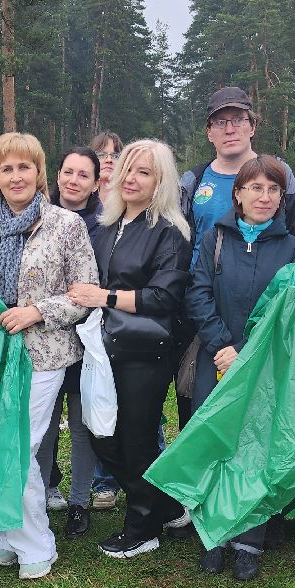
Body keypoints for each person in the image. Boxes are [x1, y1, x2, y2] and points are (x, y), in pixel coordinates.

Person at [0, 132, 98, 578]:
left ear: (39, 172)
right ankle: (10, 533)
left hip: (44, 353)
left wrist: (35, 312)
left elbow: (84, 296)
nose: (15, 176)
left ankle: (37, 545)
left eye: (24, 166)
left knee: (20, 447)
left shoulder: (66, 225)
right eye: (6, 168)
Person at [70, 139, 193, 559]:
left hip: (146, 351)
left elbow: (163, 297)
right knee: (102, 436)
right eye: (127, 169)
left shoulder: (170, 232)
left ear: (161, 181)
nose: (132, 178)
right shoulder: (106, 225)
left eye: (144, 172)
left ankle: (142, 526)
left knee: (136, 438)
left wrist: (104, 297)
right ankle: (167, 505)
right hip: (103, 348)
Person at [184, 155, 295, 580]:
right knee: (215, 444)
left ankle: (249, 541)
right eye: (255, 188)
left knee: (256, 448)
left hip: (264, 364)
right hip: (215, 359)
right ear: (238, 194)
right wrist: (222, 344)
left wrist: (248, 351)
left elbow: (288, 312)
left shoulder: (291, 248)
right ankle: (212, 535)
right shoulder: (216, 237)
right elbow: (197, 292)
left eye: (273, 190)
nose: (264, 197)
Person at [37, 146, 105, 535]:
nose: (74, 180)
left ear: (96, 183)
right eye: (68, 172)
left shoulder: (103, 224)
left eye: (83, 174)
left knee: (81, 423)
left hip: (85, 338)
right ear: (57, 175)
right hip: (44, 335)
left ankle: (80, 501)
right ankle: (43, 491)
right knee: (44, 421)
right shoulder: (39, 217)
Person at [178, 86, 295, 264]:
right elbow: (179, 246)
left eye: (238, 120)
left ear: (252, 127)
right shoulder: (192, 180)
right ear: (209, 133)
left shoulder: (280, 172)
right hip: (203, 288)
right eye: (220, 122)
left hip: (270, 288)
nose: (230, 130)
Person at [86, 131, 124, 512]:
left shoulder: (132, 203)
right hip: (87, 317)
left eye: (116, 153)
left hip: (124, 316)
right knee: (95, 398)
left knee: (131, 400)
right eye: (102, 153)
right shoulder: (83, 203)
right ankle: (104, 479)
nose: (110, 159)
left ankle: (146, 475)